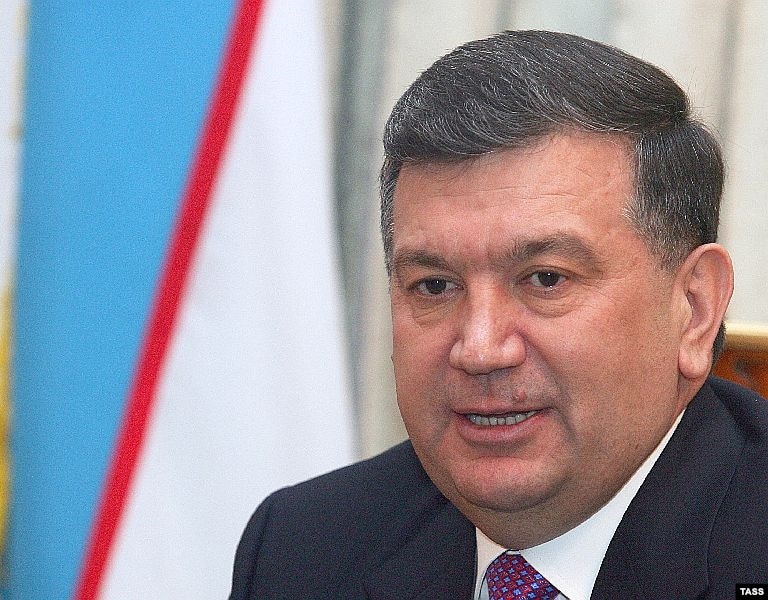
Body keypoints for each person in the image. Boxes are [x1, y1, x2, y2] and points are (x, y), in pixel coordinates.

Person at [229, 30, 768, 599]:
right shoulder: (305, 549)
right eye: (435, 286)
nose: (481, 349)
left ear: (694, 309)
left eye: (546, 279)